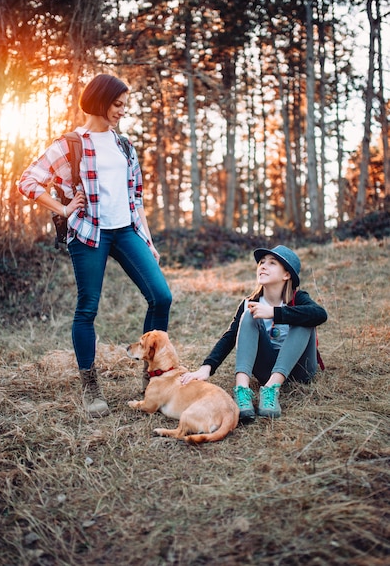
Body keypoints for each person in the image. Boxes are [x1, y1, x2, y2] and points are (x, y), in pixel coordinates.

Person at [18, 73, 172, 418]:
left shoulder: (124, 145)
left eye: (123, 106)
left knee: (161, 296)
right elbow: (27, 181)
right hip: (89, 234)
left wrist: (148, 240)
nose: (121, 111)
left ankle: (150, 378)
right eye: (117, 105)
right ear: (101, 101)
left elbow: (136, 198)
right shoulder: (70, 144)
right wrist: (62, 208)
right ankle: (90, 386)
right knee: (88, 308)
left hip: (126, 231)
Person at [180, 245, 327, 421]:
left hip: (300, 369)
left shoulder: (298, 298)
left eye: (272, 263)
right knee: (249, 314)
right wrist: (207, 367)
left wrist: (274, 313)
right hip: (266, 369)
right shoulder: (250, 303)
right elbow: (230, 337)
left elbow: (320, 315)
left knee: (306, 317)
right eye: (262, 262)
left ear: (286, 275)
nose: (263, 266)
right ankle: (242, 391)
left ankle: (272, 389)